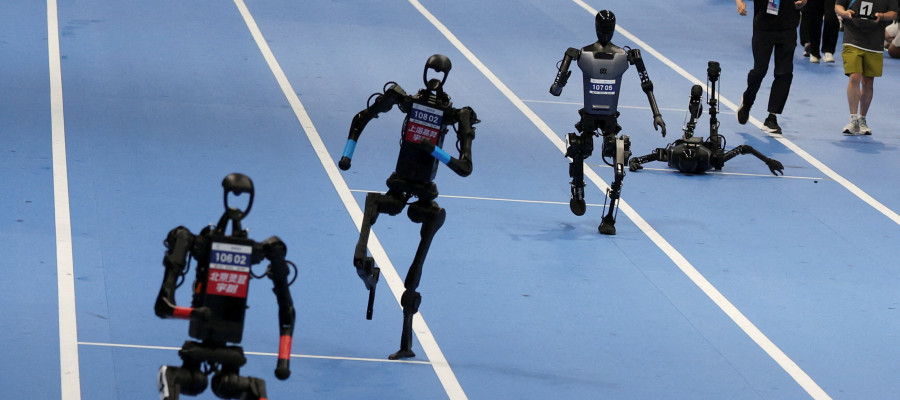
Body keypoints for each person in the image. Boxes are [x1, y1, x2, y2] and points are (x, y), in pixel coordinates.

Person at [735, 0, 807, 134]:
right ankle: (747, 100)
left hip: (788, 27)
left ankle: (772, 118)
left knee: (784, 72)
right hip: (763, 27)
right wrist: (739, 2)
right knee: (759, 71)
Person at [835, 0, 898, 135]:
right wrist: (844, 13)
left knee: (868, 82)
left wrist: (882, 16)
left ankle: (862, 119)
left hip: (874, 41)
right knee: (855, 76)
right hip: (853, 37)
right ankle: (853, 119)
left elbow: (893, 13)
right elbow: (838, 5)